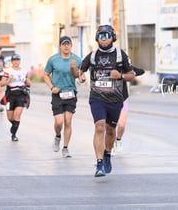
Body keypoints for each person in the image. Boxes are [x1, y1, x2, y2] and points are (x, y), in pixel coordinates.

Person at [79, 25, 135, 177]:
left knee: (110, 130)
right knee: (99, 127)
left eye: (107, 35)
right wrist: (81, 76)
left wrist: (121, 76)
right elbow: (81, 69)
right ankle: (99, 164)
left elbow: (131, 74)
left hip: (116, 99)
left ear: (113, 37)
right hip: (97, 98)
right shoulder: (92, 55)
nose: (103, 39)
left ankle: (107, 154)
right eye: (101, 36)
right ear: (97, 38)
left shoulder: (120, 55)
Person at [43, 36, 82, 158]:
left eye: (68, 44)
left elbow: (80, 73)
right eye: (63, 44)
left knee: (68, 121)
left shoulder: (77, 59)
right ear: (60, 46)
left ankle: (65, 148)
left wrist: (82, 77)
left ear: (71, 46)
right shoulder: (53, 59)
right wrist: (51, 87)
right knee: (59, 122)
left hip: (70, 93)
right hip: (57, 93)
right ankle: (57, 136)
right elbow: (45, 74)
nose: (66, 46)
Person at [112, 65, 145, 156]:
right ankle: (110, 145)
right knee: (111, 125)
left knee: (122, 124)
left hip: (123, 97)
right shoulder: (107, 66)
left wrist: (129, 74)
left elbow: (141, 70)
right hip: (109, 98)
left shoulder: (124, 66)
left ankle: (118, 140)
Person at [0, 54, 31, 142]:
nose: (16, 62)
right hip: (10, 94)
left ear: (20, 61)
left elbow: (29, 83)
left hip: (21, 94)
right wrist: (9, 80)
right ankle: (14, 126)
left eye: (17, 60)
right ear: (12, 61)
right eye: (14, 60)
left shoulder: (24, 71)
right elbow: (2, 84)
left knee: (17, 115)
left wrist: (28, 81)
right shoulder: (7, 71)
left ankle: (14, 135)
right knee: (10, 117)